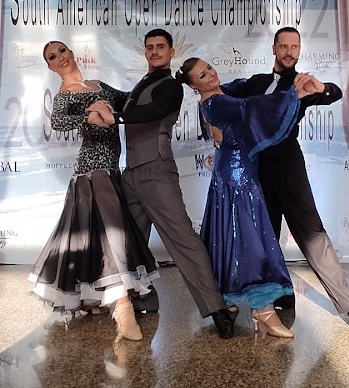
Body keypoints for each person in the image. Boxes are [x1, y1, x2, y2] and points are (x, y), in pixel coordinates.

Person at [86, 29, 238, 340]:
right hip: (132, 175)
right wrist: (100, 88)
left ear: (170, 53)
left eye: (160, 47)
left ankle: (216, 308)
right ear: (145, 53)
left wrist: (114, 117)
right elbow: (130, 101)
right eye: (150, 47)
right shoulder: (144, 83)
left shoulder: (170, 87)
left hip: (156, 171)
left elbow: (152, 111)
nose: (155, 51)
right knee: (129, 242)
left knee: (182, 238)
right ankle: (143, 298)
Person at [223, 26, 349, 331]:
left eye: (295, 47)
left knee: (312, 233)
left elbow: (333, 93)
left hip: (289, 167)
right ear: (274, 49)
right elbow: (220, 95)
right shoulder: (255, 83)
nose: (289, 51)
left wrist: (322, 88)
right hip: (256, 170)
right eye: (284, 46)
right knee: (265, 238)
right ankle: (281, 295)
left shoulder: (301, 85)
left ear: (299, 51)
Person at [29, 40, 159, 342]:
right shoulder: (66, 95)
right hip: (92, 170)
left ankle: (95, 299)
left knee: (97, 239)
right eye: (52, 57)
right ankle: (123, 307)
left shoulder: (96, 84)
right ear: (49, 66)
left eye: (62, 51)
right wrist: (88, 115)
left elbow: (129, 101)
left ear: (72, 53)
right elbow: (58, 121)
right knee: (113, 236)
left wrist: (157, 82)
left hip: (112, 170)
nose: (59, 57)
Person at [175, 57, 313, 337]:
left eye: (210, 68)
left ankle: (228, 299)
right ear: (193, 85)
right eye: (203, 75)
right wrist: (292, 94)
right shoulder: (216, 103)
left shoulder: (223, 91)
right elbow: (252, 106)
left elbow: (244, 86)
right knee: (249, 241)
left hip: (237, 175)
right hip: (236, 178)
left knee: (230, 237)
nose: (211, 75)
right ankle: (262, 310)